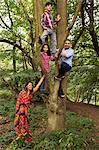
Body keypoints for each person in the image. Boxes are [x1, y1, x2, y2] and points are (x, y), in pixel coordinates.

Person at [14, 76, 44, 142]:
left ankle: (26, 139)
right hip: (20, 110)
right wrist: (17, 112)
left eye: (31, 85)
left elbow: (38, 86)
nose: (31, 86)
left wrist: (43, 77)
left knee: (26, 124)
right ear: (26, 86)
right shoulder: (22, 92)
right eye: (29, 85)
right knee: (21, 124)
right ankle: (21, 138)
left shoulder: (31, 93)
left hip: (26, 111)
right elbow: (18, 101)